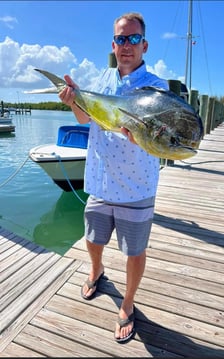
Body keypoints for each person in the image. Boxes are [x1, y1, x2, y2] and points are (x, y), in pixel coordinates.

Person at [59, 12, 169, 343]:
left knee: (134, 251)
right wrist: (72, 100)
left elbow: (163, 137)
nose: (126, 45)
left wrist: (144, 137)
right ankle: (97, 271)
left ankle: (128, 303)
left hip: (137, 185)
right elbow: (85, 117)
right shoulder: (102, 80)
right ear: (113, 44)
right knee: (93, 239)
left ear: (144, 45)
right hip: (100, 179)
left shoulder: (157, 88)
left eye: (133, 39)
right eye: (121, 39)